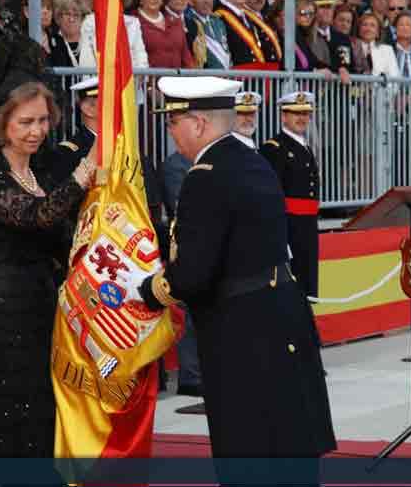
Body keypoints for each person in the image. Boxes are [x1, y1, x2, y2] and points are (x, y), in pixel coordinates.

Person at [138, 76, 335, 460]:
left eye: (173, 123)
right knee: (288, 443)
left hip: (242, 330)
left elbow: (194, 273)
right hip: (280, 313)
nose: (171, 132)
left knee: (248, 447)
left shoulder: (205, 176)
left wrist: (148, 290)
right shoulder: (253, 161)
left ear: (198, 124)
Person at [0, 50, 96, 457]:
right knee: (4, 423)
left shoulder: (38, 172)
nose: (37, 131)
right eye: (25, 122)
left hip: (39, 309)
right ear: (1, 125)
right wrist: (87, 170)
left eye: (43, 120)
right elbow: (36, 216)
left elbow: (59, 233)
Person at [261, 91, 321, 298]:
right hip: (289, 227)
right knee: (290, 287)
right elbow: (271, 195)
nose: (302, 118)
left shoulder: (304, 147)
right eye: (295, 113)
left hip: (307, 226)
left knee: (306, 285)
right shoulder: (274, 148)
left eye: (305, 113)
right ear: (283, 116)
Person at [134, 0, 194, 69]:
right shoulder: (133, 22)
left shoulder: (175, 22)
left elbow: (186, 59)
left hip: (176, 82)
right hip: (148, 82)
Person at [48, 0, 87, 67]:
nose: (71, 19)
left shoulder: (91, 42)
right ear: (58, 18)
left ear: (82, 19)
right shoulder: (50, 42)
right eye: (67, 14)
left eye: (76, 15)